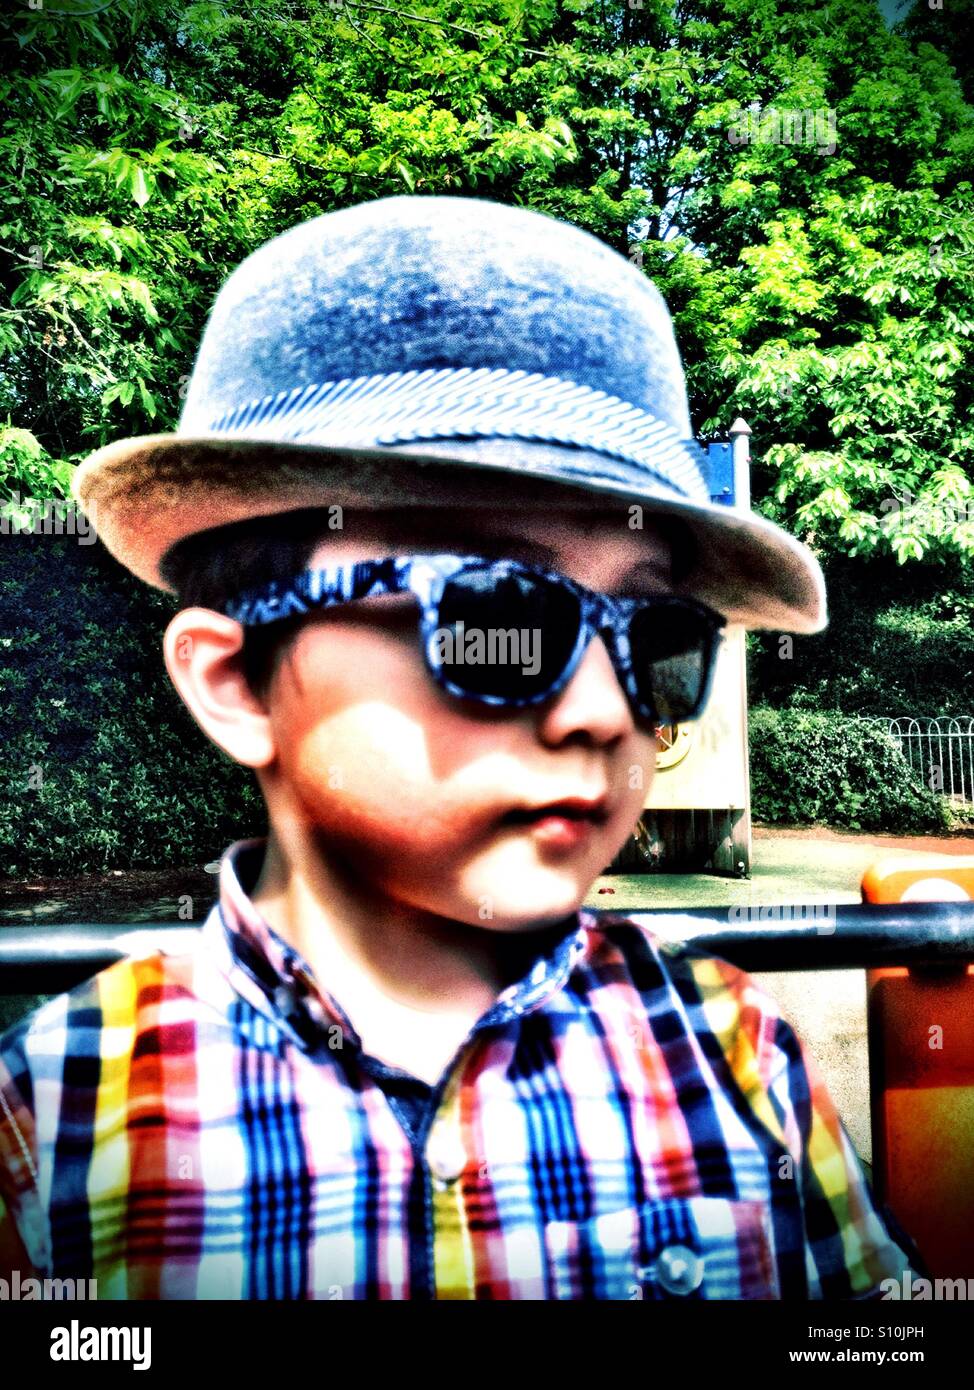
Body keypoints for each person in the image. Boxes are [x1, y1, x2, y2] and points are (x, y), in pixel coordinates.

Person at [0, 195, 923, 1299]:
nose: (600, 713)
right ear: (234, 679)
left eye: (657, 640)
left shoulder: (735, 1056)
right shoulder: (58, 1115)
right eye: (502, 620)